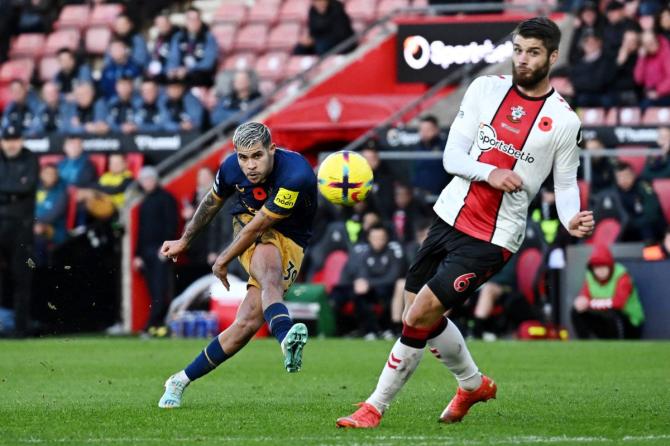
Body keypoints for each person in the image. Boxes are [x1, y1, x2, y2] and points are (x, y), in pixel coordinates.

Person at [336, 17, 595, 429]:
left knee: (418, 314)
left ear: (552, 56)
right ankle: (472, 385)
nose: (522, 59)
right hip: (448, 215)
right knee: (414, 313)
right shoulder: (484, 89)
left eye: (532, 52)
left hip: (494, 236)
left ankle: (373, 408)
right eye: (518, 49)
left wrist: (571, 217)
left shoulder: (563, 120)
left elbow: (565, 184)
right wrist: (489, 173)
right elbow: (452, 157)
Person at [158, 122, 317, 408]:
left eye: (256, 156)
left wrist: (223, 259)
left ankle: (179, 380)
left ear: (272, 149)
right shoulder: (231, 167)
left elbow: (262, 225)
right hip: (248, 221)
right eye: (243, 157)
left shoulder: (296, 175)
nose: (249, 165)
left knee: (245, 325)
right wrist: (184, 240)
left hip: (290, 239)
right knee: (269, 274)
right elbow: (211, 202)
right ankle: (285, 338)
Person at [0, 125, 38, 337]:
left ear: (21, 141)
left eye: (15, 139)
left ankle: (20, 328)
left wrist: (6, 191)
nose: (11, 144)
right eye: (7, 139)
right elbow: (19, 188)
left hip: (21, 228)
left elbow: (27, 186)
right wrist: (14, 191)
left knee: (21, 276)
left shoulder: (30, 158)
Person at [133, 167, 178, 336]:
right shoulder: (144, 202)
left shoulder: (166, 199)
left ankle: (151, 324)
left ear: (155, 179)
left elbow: (171, 225)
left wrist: (165, 249)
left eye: (149, 179)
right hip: (146, 253)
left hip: (160, 252)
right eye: (144, 180)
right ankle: (156, 325)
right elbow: (141, 231)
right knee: (153, 290)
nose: (147, 183)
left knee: (160, 289)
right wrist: (137, 255)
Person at [571, 244, 644, 339]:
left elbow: (618, 303)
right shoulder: (590, 277)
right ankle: (585, 344)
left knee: (612, 313)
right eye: (596, 267)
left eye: (603, 266)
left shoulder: (622, 276)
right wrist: (581, 302)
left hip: (630, 324)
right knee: (577, 311)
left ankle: (619, 345)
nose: (600, 270)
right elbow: (584, 297)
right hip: (605, 321)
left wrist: (589, 303)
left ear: (610, 266)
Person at [611, 161, 664, 243]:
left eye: (626, 175)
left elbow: (652, 213)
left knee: (647, 228)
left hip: (649, 228)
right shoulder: (614, 192)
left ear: (633, 175)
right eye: (620, 177)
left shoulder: (643, 186)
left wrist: (633, 223)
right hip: (628, 228)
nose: (624, 179)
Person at [166, 7, 218, 87]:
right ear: (186, 21)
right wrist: (172, 70)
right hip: (181, 75)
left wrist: (188, 70)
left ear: (200, 21)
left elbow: (208, 63)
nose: (193, 22)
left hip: (201, 75)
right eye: (190, 19)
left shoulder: (208, 37)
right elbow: (173, 58)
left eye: (196, 19)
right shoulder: (178, 37)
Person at [569, 30, 614, 108]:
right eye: (586, 41)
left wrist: (578, 86)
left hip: (600, 95)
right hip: (581, 95)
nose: (589, 44)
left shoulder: (606, 60)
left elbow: (598, 82)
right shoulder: (579, 61)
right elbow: (573, 79)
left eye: (592, 41)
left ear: (599, 43)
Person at [34, 163, 68, 264]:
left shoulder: (61, 193)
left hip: (54, 229)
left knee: (37, 235)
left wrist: (35, 224)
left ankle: (39, 271)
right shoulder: (36, 189)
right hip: (34, 225)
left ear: (57, 177)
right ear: (41, 174)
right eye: (47, 173)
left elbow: (54, 215)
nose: (50, 176)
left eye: (53, 174)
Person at [412, 115, 451, 196]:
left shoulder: (446, 147)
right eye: (422, 130)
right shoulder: (416, 147)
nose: (424, 133)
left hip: (441, 196)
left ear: (436, 130)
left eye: (428, 130)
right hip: (419, 197)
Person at [634, 31, 670, 109]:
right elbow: (638, 79)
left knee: (645, 106)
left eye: (652, 41)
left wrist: (658, 92)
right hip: (649, 93)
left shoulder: (666, 53)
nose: (651, 45)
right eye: (646, 44)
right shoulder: (645, 57)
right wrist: (641, 59)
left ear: (656, 39)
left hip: (665, 93)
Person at [147, 12, 179, 82]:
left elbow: (175, 58)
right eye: (159, 24)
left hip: (172, 73)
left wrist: (168, 70)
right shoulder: (159, 37)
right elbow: (156, 55)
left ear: (169, 22)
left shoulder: (178, 36)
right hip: (160, 72)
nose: (162, 26)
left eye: (163, 23)